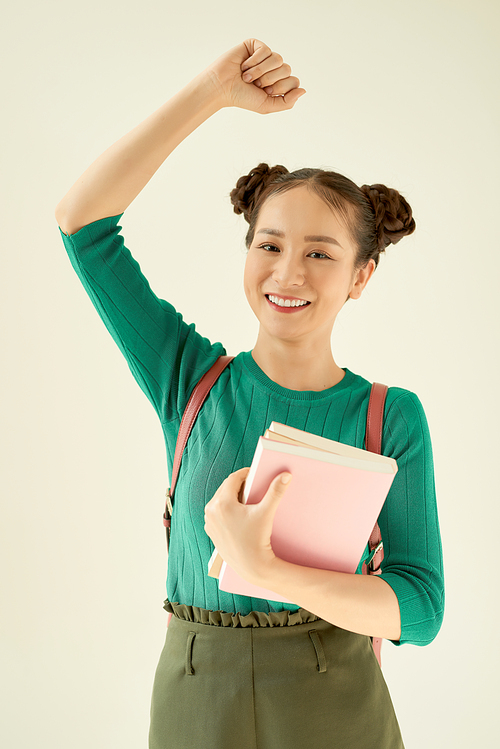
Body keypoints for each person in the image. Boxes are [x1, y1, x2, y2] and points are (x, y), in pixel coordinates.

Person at [55, 38, 444, 749]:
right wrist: (211, 91)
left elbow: (419, 607)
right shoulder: (190, 376)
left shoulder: (391, 416)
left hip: (336, 689)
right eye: (268, 244)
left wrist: (270, 570)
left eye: (320, 253)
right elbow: (82, 222)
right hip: (196, 685)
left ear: (361, 276)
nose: (287, 273)